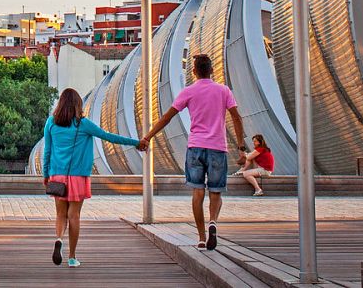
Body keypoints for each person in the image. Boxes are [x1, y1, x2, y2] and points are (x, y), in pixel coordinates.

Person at [138, 54, 247, 251]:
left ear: (194, 71)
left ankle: (201, 237)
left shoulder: (188, 91)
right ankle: (213, 222)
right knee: (216, 191)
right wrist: (241, 147)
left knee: (198, 192)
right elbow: (236, 118)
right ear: (211, 70)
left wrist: (147, 137)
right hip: (217, 147)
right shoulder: (223, 90)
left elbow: (167, 117)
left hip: (195, 147)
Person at [40, 87, 142, 268]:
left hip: (57, 175)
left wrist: (46, 174)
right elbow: (109, 137)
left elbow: (47, 151)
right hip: (78, 176)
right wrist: (136, 143)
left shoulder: (51, 123)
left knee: (60, 214)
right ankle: (72, 257)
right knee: (74, 215)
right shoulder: (83, 124)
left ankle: (59, 239)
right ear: (77, 104)